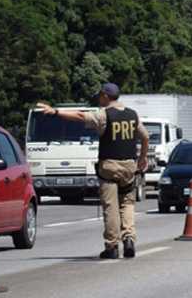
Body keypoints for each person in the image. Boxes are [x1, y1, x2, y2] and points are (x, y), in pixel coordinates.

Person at [37, 83, 149, 259]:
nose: (98, 98)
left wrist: (56, 112)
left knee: (111, 206)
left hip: (110, 167)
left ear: (105, 96)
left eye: (100, 95)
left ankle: (112, 246)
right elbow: (145, 137)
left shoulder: (104, 114)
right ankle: (129, 239)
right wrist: (142, 158)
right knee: (127, 204)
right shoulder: (132, 114)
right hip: (129, 166)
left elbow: (81, 116)